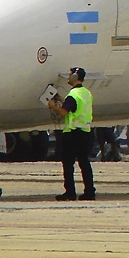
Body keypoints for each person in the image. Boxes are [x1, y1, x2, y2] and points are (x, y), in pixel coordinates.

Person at [48, 67, 95, 201]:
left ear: (74, 77)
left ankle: (70, 192)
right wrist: (62, 100)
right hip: (85, 131)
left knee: (68, 164)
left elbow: (64, 112)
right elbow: (75, 107)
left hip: (73, 133)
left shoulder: (73, 95)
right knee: (84, 163)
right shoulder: (86, 93)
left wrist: (53, 106)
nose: (68, 78)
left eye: (70, 76)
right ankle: (89, 191)